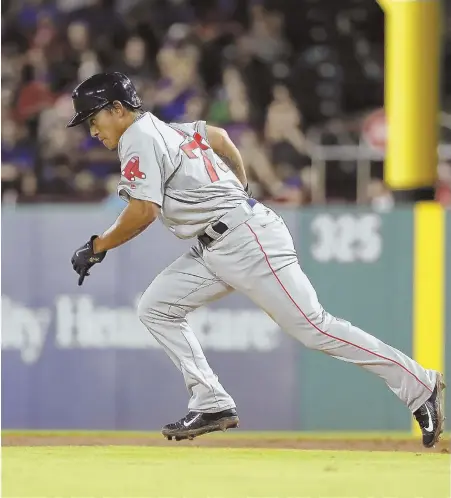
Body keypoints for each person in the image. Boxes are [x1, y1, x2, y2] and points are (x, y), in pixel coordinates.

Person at [68, 72, 445, 447]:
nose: (92, 131)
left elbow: (143, 210)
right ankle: (211, 401)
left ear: (117, 108)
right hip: (218, 243)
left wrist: (98, 245)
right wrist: (242, 185)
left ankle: (419, 385)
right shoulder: (168, 129)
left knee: (315, 328)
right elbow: (221, 138)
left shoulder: (138, 137)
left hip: (245, 238)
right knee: (156, 307)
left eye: (93, 118)